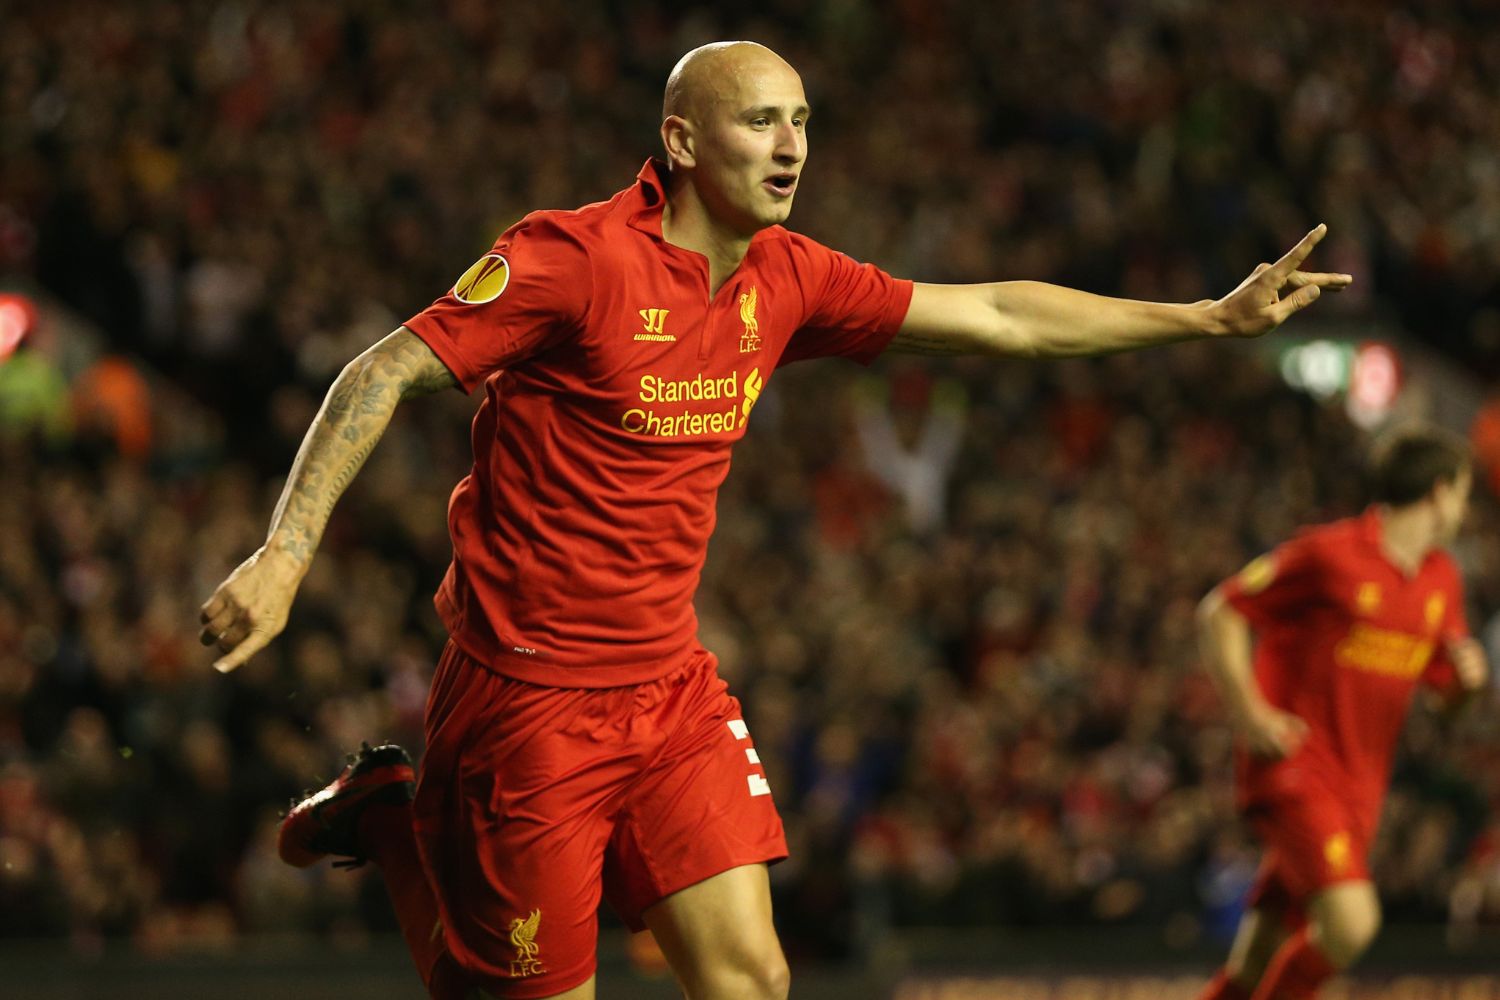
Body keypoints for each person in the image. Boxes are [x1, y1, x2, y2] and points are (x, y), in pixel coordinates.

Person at [199, 40, 1350, 1000]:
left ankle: (409, 824)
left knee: (754, 981)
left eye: (801, 119)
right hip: (527, 706)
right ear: (685, 140)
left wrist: (1203, 318)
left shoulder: (784, 275)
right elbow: (383, 369)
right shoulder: (575, 259)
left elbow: (999, 312)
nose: (793, 143)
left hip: (669, 687)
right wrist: (285, 554)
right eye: (761, 120)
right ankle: (397, 823)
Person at [1194, 426, 1489, 1000]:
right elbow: (1220, 613)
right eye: (1463, 492)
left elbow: (1446, 703)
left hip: (1360, 791)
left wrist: (1467, 690)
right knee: (1352, 925)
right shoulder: (1330, 554)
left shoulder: (1440, 580)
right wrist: (1251, 714)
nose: (1464, 508)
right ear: (1439, 491)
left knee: (1254, 967)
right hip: (1296, 769)